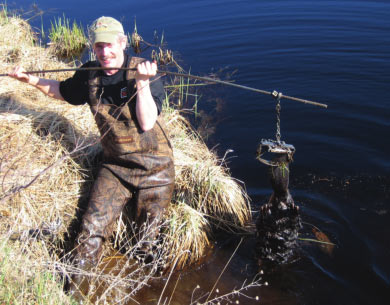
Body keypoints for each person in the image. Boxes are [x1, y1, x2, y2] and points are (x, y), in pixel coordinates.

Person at [8, 16, 175, 296]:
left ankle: (151, 293)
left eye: (110, 45)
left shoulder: (143, 72)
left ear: (123, 43)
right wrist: (29, 80)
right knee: (90, 228)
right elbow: (61, 90)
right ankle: (75, 291)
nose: (104, 52)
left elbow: (146, 123)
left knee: (147, 241)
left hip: (155, 171)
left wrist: (143, 83)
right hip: (115, 167)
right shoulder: (90, 73)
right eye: (99, 47)